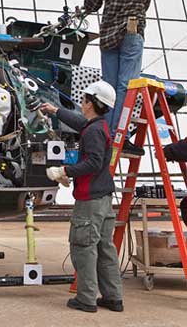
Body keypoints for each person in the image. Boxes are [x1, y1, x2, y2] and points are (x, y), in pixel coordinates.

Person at [41, 80, 124, 313]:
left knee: (83, 247)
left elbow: (94, 163)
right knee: (105, 249)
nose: (81, 102)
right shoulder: (98, 126)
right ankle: (113, 297)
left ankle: (86, 299)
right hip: (104, 200)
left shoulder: (94, 132)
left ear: (90, 103)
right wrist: (55, 110)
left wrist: (64, 170)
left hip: (90, 202)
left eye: (84, 99)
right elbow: (81, 124)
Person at [82, 0, 155, 157]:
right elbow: (145, 5)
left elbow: (90, 4)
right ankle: (116, 135)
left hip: (108, 36)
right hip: (132, 34)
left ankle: (103, 132)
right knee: (125, 87)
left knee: (109, 86)